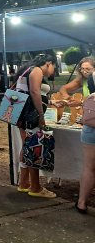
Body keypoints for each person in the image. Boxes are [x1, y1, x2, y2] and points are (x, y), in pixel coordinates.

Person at [56, 57, 95, 213]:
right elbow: (64, 89)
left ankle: (81, 202)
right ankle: (82, 201)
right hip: (90, 125)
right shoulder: (83, 81)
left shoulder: (90, 81)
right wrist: (69, 99)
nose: (85, 72)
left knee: (89, 167)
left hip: (90, 125)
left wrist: (80, 102)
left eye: (88, 69)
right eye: (82, 69)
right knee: (89, 167)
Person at [15, 54, 57, 198]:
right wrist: (41, 114)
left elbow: (29, 92)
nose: (52, 71)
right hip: (31, 116)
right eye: (54, 67)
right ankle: (35, 187)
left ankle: (23, 183)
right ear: (49, 63)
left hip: (22, 114)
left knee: (26, 146)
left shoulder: (26, 69)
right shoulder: (37, 70)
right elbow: (34, 91)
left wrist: (50, 103)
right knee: (34, 147)